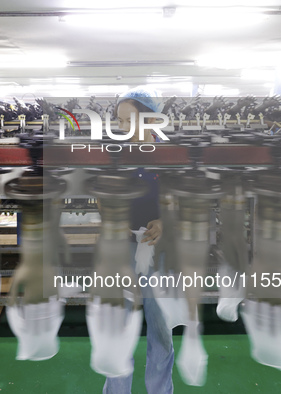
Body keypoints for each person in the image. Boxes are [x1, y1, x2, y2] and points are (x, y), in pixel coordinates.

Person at [102, 87, 174, 394]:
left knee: (159, 327)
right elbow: (101, 195)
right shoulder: (114, 153)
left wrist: (165, 220)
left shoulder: (170, 154)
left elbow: (179, 198)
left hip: (157, 248)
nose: (121, 127)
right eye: (118, 120)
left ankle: (160, 390)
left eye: (127, 120)